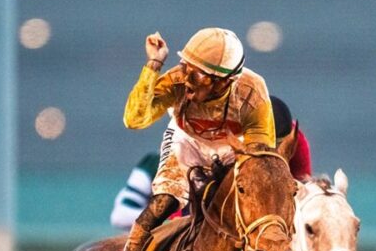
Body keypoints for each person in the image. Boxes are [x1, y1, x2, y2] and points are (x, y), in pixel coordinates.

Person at [99, 27, 276, 251]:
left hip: (233, 146)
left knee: (254, 197)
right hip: (187, 140)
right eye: (186, 67)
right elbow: (134, 119)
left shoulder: (252, 92)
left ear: (223, 82)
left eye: (196, 75)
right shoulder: (179, 80)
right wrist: (154, 65)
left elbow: (261, 152)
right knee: (164, 202)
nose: (187, 81)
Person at [109, 96, 312, 232]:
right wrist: (167, 222)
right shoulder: (162, 160)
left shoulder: (294, 138)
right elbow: (120, 216)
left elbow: (303, 194)